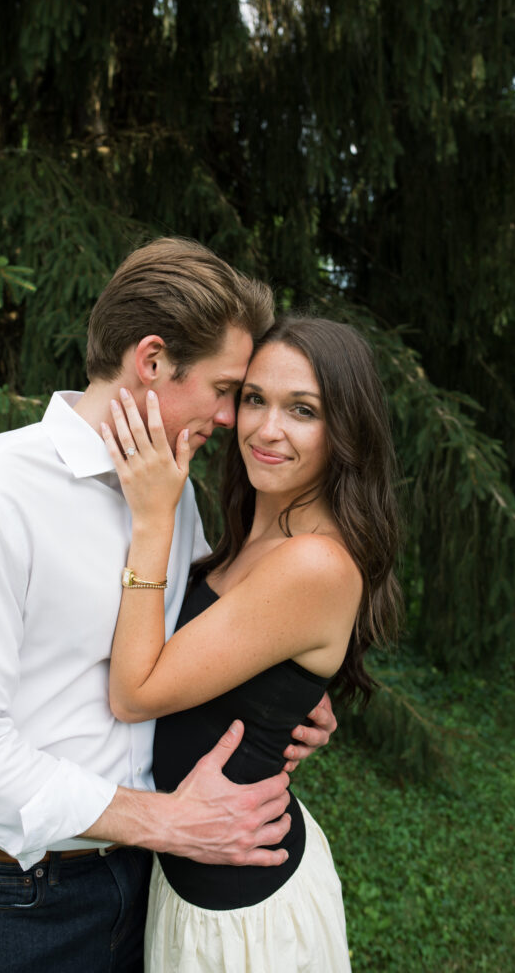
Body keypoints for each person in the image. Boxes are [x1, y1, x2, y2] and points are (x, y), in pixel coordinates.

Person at [0, 238, 337, 973]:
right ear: (151, 361)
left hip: (156, 881)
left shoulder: (172, 496)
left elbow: (180, 653)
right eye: (226, 388)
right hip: (24, 905)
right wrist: (167, 822)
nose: (234, 419)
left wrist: (278, 700)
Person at [101, 314, 402, 973]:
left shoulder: (313, 563)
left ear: (345, 429)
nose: (267, 429)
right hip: (190, 878)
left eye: (302, 410)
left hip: (241, 917)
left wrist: (153, 519)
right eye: (254, 398)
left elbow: (134, 693)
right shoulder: (255, 535)